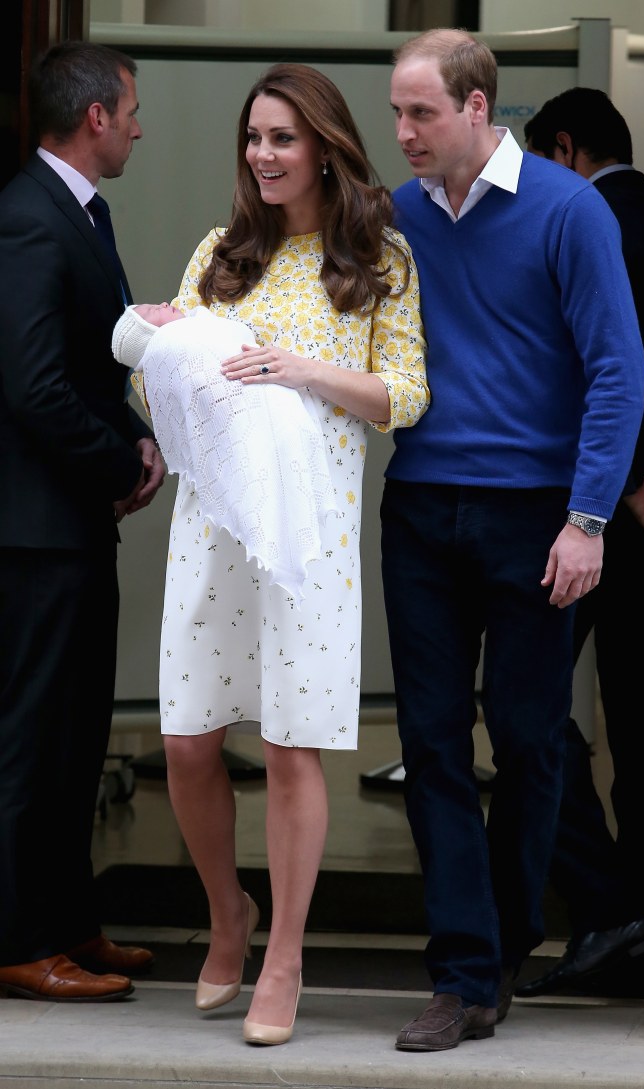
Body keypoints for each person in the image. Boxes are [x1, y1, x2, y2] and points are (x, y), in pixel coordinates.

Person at [141, 63, 428, 1046]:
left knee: (290, 746)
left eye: (282, 138)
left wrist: (299, 368)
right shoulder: (218, 255)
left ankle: (286, 957)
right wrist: (162, 348)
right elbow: (163, 395)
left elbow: (405, 396)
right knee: (185, 743)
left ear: (324, 146)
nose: (263, 155)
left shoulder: (377, 258)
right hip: (213, 529)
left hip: (311, 543)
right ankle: (229, 911)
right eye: (253, 139)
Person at [381, 29, 644, 1051]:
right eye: (397, 112)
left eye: (421, 114)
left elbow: (617, 368)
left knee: (530, 741)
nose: (401, 132)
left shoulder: (568, 209)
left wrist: (587, 519)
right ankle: (461, 973)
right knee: (432, 746)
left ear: (477, 106)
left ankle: (503, 947)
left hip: (538, 513)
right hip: (419, 509)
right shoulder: (397, 216)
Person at [513, 87, 644, 998]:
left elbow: (586, 367)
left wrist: (622, 486)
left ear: (564, 149)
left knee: (525, 700)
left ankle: (601, 901)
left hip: (591, 506)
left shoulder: (578, 226)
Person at [0, 40, 165, 1002]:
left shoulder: (76, 211)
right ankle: (21, 940)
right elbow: (33, 385)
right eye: (132, 108)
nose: (140, 124)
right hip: (33, 534)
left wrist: (135, 439)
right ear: (96, 116)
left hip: (69, 526)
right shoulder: (28, 218)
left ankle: (70, 924)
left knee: (74, 736)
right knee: (31, 736)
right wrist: (121, 458)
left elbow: (86, 370)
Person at [112, 302, 339, 602]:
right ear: (153, 335)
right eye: (154, 312)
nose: (165, 304)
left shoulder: (193, 322)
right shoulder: (176, 343)